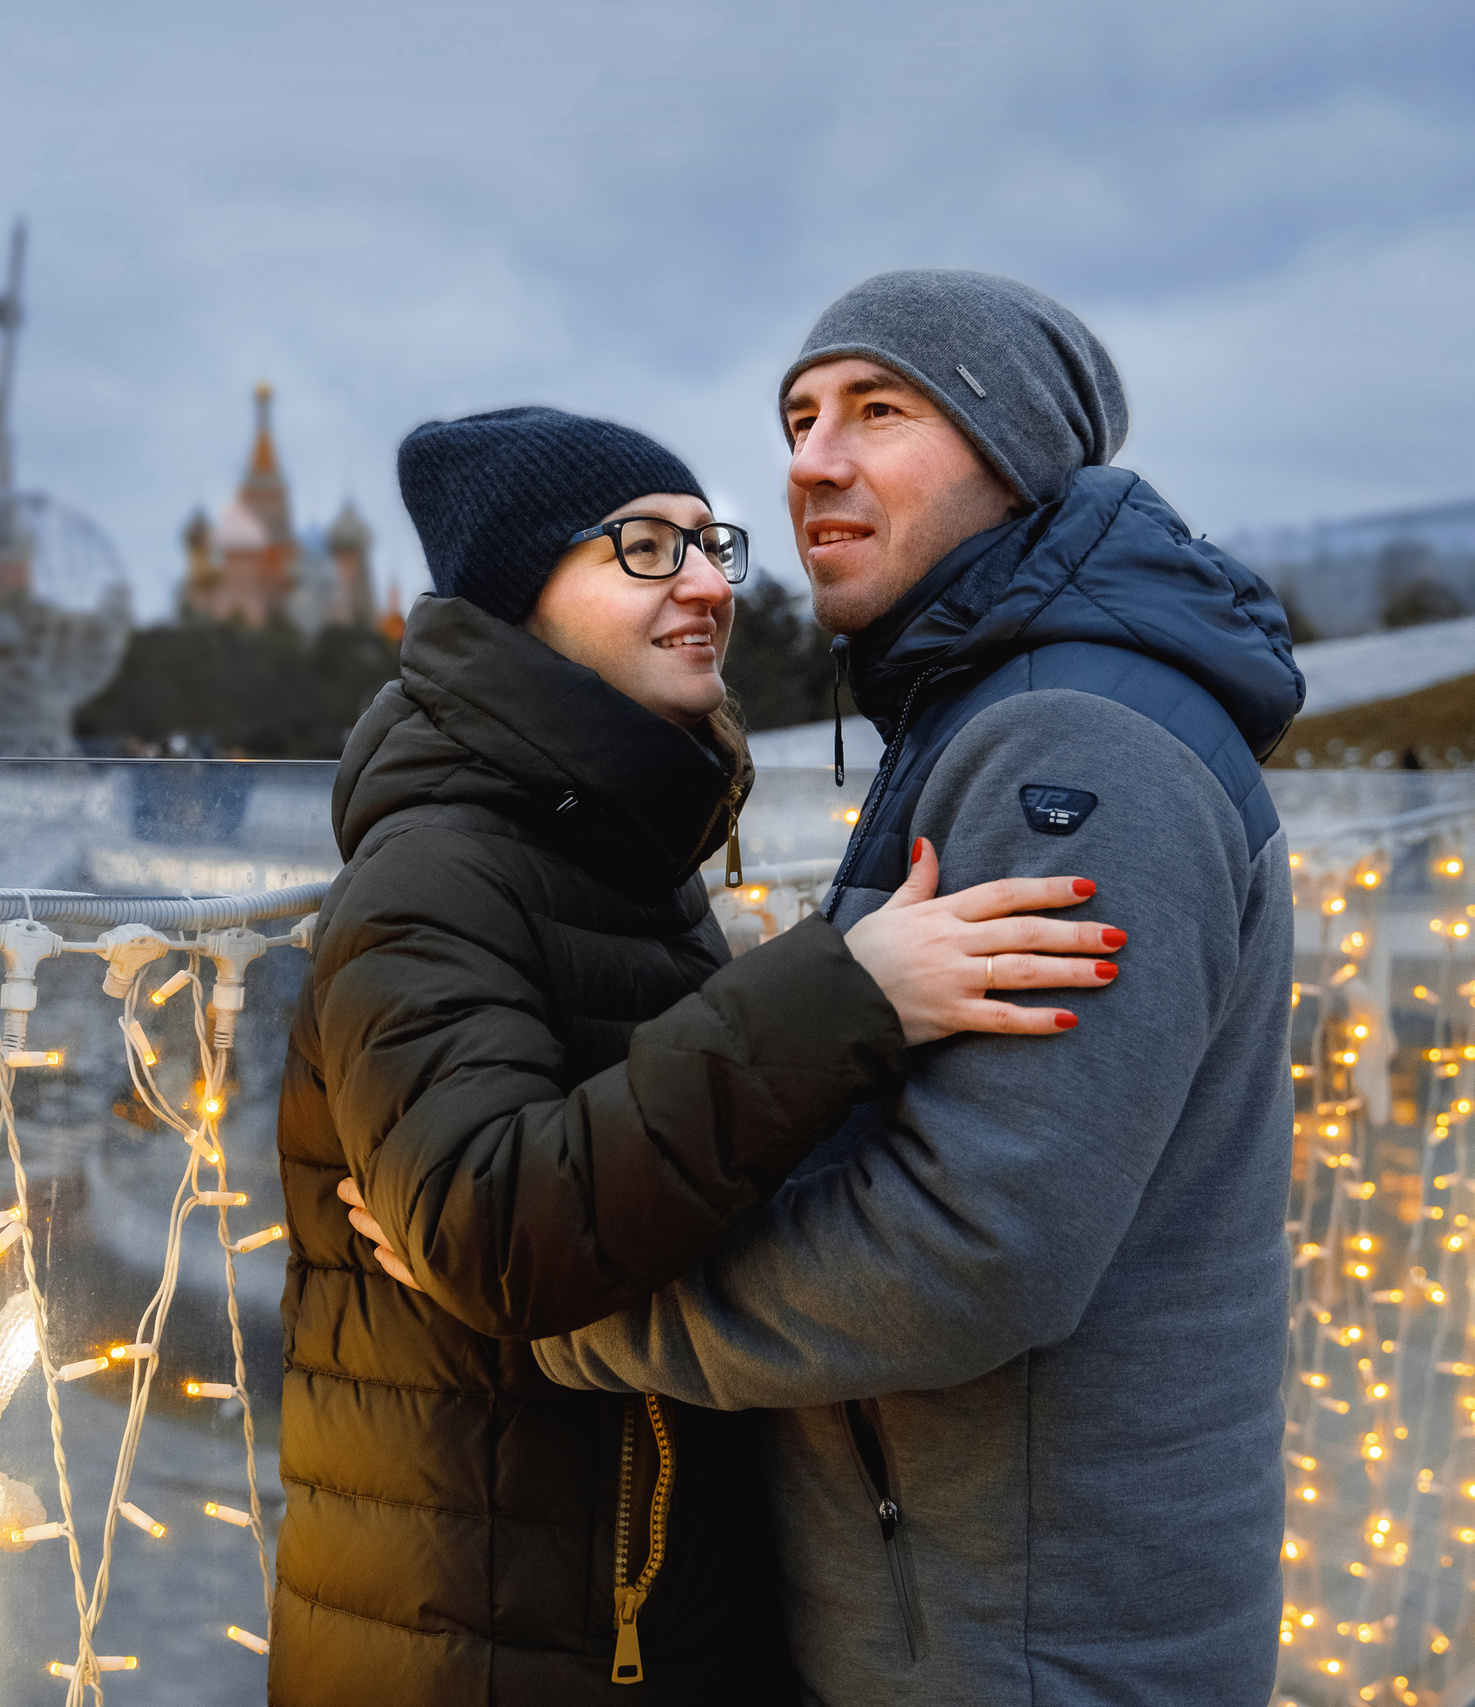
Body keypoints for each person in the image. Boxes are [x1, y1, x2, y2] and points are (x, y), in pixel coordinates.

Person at [522, 272, 1305, 1704]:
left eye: (880, 411)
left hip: (1027, 1640)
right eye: (799, 419)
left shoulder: (1077, 745)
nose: (812, 461)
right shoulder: (989, 704)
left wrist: (574, 1316)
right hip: (975, 1606)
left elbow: (973, 1248)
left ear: (1016, 452)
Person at [271, 405, 1128, 1706]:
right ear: (516, 598)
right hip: (489, 1648)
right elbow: (491, 1233)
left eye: (709, 543)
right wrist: (850, 994)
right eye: (643, 548)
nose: (711, 585)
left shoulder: (616, 846)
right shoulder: (437, 870)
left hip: (617, 1609)